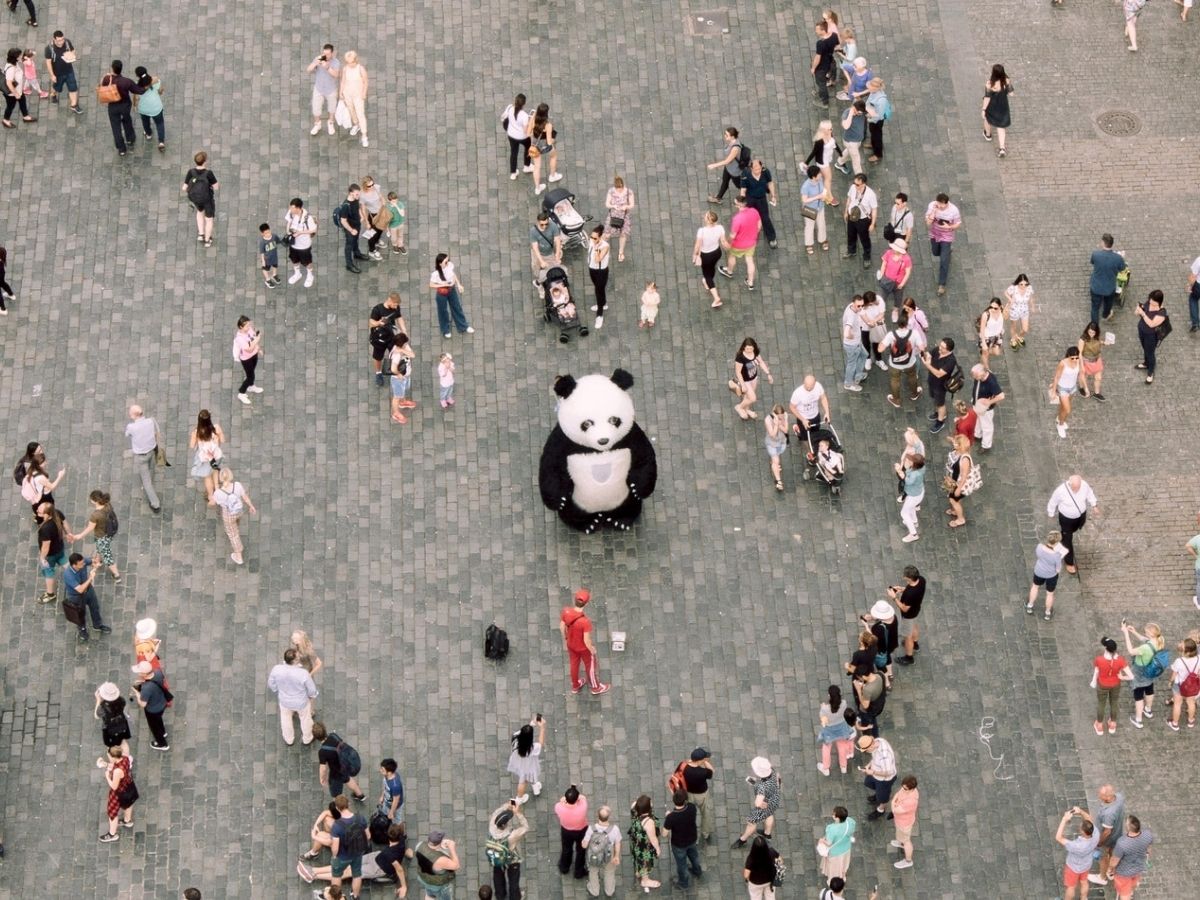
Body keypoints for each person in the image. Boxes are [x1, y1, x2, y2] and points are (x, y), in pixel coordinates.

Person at [559, 588, 610, 694]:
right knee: (590, 665)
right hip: (583, 648)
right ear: (586, 604)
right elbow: (586, 640)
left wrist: (566, 638)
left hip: (571, 645)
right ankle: (595, 687)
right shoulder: (585, 622)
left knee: (574, 664)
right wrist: (592, 649)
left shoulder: (566, 611)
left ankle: (575, 686)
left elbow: (561, 626)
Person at [1047, 475, 1099, 575]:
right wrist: (1051, 513)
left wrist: (1094, 505)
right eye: (1075, 488)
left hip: (1080, 516)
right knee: (1068, 540)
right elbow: (1053, 502)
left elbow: (1090, 494)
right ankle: (1069, 562)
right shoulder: (1060, 491)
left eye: (1078, 487)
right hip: (1066, 519)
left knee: (1071, 532)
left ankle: (1063, 536)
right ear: (1070, 484)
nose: (1077, 490)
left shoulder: (1084, 485)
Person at [268, 647, 318, 746]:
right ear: (294, 660)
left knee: (285, 718)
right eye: (297, 656)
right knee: (305, 719)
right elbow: (311, 689)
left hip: (285, 701)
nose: (299, 656)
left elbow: (271, 684)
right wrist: (312, 696)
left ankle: (289, 739)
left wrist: (278, 690)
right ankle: (307, 738)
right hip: (301, 702)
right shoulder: (303, 673)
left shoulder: (276, 669)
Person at [1122, 622, 1166, 728]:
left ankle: (1138, 720)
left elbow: (1131, 651)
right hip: (1150, 672)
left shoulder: (1145, 648)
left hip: (1140, 673)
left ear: (1151, 634)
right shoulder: (1160, 641)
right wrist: (1134, 632)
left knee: (1139, 696)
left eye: (1146, 632)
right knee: (1149, 690)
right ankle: (1148, 710)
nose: (1144, 633)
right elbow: (1145, 640)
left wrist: (1126, 634)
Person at [99, 59, 147, 153]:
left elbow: (101, 86)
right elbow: (138, 90)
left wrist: (105, 76)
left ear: (112, 69)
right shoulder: (126, 81)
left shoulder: (107, 79)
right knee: (127, 121)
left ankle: (121, 149)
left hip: (113, 106)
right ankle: (130, 139)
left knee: (115, 127)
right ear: (121, 69)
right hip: (124, 106)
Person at [63, 552, 112, 642]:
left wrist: (96, 562)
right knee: (80, 615)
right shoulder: (68, 575)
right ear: (74, 565)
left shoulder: (82, 561)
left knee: (95, 607)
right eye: (81, 564)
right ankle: (82, 630)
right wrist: (90, 577)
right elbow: (80, 589)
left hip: (88, 590)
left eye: (83, 562)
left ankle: (97, 625)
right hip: (76, 597)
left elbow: (93, 561)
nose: (84, 564)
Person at [328, 794, 370, 899]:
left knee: (336, 875)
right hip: (357, 853)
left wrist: (334, 856)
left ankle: (336, 897)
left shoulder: (337, 826)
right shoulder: (360, 818)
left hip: (342, 856)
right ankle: (355, 896)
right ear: (349, 804)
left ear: (337, 808)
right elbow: (368, 836)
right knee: (357, 874)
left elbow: (335, 847)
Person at [212, 467, 256, 566]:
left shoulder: (218, 493)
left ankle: (238, 556)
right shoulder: (237, 485)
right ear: (231, 476)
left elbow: (213, 502)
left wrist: (215, 488)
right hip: (239, 511)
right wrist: (251, 506)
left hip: (228, 515)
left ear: (221, 479)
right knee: (236, 522)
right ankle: (236, 526)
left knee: (233, 535)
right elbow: (245, 497)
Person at [878, 310, 921, 409]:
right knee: (912, 376)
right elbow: (922, 347)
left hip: (894, 364)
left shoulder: (891, 334)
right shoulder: (914, 333)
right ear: (907, 323)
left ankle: (896, 400)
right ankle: (914, 394)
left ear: (897, 323)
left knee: (895, 380)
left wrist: (881, 342)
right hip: (910, 362)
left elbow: (880, 349)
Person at [733, 757, 781, 846]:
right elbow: (778, 779)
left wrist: (761, 802)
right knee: (769, 814)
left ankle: (743, 840)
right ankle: (767, 834)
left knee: (751, 822)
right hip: (774, 800)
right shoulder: (772, 771)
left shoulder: (762, 788)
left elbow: (758, 803)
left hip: (765, 804)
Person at [123, 405, 162, 511]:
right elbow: (157, 432)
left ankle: (155, 504)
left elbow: (127, 434)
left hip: (141, 456)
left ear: (134, 415)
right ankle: (151, 476)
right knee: (151, 467)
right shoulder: (151, 421)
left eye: (130, 413)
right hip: (151, 451)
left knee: (146, 482)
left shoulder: (131, 427)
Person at [487, 800, 528, 900]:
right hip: (511, 860)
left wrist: (506, 806)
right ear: (504, 825)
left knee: (498, 876)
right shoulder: (511, 835)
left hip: (497, 856)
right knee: (513, 880)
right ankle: (515, 897)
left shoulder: (492, 823)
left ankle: (500, 896)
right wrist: (517, 813)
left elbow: (497, 812)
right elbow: (525, 827)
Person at [313, 722, 365, 800]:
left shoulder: (322, 751)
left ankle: (339, 807)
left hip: (336, 773)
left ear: (316, 737)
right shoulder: (333, 736)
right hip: (345, 766)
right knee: (347, 779)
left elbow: (323, 768)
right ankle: (360, 795)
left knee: (336, 793)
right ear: (325, 730)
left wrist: (322, 779)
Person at [1092, 637, 1133, 735]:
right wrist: (1122, 677)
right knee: (1114, 702)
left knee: (1101, 704)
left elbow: (1096, 672)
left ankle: (1099, 725)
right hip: (1115, 684)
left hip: (1102, 684)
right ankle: (1113, 723)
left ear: (1105, 648)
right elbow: (1131, 676)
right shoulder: (1120, 660)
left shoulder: (1099, 660)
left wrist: (1094, 681)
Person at [662, 789, 701, 890]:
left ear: (674, 801)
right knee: (694, 856)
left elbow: (664, 833)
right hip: (692, 838)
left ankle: (683, 883)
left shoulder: (671, 817)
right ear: (685, 800)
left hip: (679, 844)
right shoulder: (692, 808)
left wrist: (667, 817)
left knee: (681, 864)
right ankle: (697, 871)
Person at [1106, 815, 1153, 898]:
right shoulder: (1148, 834)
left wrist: (1110, 869)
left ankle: (1127, 894)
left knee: (1124, 894)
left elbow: (1114, 861)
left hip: (1123, 873)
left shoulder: (1122, 843)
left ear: (1128, 828)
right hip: (1138, 868)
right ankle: (1131, 891)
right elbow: (1148, 850)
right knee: (1134, 884)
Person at [1088, 785, 1127, 887]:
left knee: (1103, 857)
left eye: (1100, 795)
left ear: (1108, 797)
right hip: (1117, 833)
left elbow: (1107, 832)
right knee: (1112, 851)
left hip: (1107, 839)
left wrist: (1099, 843)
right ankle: (1111, 870)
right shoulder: (1119, 797)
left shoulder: (1108, 813)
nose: (1098, 796)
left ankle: (1102, 877)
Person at [720, 196, 761, 291]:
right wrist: (755, 233)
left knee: (732, 256)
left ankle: (729, 271)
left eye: (734, 203)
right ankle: (750, 282)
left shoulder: (737, 219)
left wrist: (727, 242)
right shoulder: (754, 211)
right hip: (751, 242)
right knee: (750, 261)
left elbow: (733, 235)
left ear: (739, 205)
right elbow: (759, 224)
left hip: (738, 245)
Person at [1056, 806, 1099, 899]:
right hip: (1086, 865)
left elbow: (1058, 837)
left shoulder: (1077, 846)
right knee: (1084, 882)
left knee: (1071, 887)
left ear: (1083, 832)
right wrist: (1080, 812)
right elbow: (1089, 819)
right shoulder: (1096, 834)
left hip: (1073, 868)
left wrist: (1064, 819)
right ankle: (1084, 898)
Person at [429, 252, 474, 339]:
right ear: (440, 263)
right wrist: (442, 285)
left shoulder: (449, 265)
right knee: (443, 311)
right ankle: (445, 330)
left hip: (451, 289)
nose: (448, 262)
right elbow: (431, 284)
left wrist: (458, 284)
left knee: (457, 307)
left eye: (448, 260)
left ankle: (463, 326)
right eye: (445, 262)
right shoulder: (436, 274)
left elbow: (453, 275)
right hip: (442, 293)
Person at [925, 193, 962, 295]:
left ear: (947, 203)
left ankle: (942, 284)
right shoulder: (932, 206)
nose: (940, 206)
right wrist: (933, 213)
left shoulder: (954, 210)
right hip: (934, 234)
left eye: (942, 205)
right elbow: (927, 223)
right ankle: (948, 252)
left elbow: (958, 223)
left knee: (943, 260)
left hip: (947, 237)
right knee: (935, 252)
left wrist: (949, 227)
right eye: (939, 203)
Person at [35, 500, 71, 604]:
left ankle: (50, 594)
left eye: (39, 512)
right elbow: (65, 524)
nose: (37, 512)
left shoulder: (45, 529)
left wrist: (42, 558)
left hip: (50, 555)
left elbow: (46, 546)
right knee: (64, 562)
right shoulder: (57, 513)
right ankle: (76, 575)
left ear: (47, 514)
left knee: (48, 572)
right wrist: (69, 534)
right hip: (59, 548)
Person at [581, 805, 621, 898]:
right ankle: (609, 891)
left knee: (593, 871)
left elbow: (585, 845)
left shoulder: (591, 828)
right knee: (609, 871)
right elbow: (617, 843)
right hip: (608, 853)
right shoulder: (615, 829)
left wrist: (583, 842)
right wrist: (616, 856)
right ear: (609, 816)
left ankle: (595, 891)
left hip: (594, 854)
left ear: (597, 815)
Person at [729, 337, 773, 421]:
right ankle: (739, 407)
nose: (749, 350)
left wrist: (768, 374)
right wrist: (743, 385)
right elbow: (738, 372)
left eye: (751, 348)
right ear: (744, 347)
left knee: (748, 397)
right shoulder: (740, 357)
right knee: (753, 398)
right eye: (747, 348)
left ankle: (747, 409)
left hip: (753, 378)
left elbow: (761, 362)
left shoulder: (755, 353)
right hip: (745, 381)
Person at [920, 338, 958, 434]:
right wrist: (927, 358)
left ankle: (940, 422)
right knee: (935, 400)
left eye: (942, 347)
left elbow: (939, 374)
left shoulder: (951, 361)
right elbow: (929, 354)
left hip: (940, 385)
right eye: (940, 345)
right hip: (932, 380)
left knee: (940, 404)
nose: (939, 348)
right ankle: (938, 413)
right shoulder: (938, 349)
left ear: (949, 350)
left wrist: (927, 365)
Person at [98, 745, 135, 842]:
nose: (108, 757)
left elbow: (114, 786)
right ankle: (127, 821)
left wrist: (107, 776)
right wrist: (105, 764)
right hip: (128, 785)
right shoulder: (125, 758)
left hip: (119, 792)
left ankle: (112, 834)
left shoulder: (117, 771)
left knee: (112, 813)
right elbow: (115, 765)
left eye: (109, 756)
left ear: (114, 757)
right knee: (128, 804)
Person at [816, 685, 855, 776]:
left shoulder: (825, 709)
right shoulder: (844, 703)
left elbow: (824, 721)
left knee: (826, 749)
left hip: (829, 731)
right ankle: (843, 766)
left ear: (829, 696)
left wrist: (822, 707)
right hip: (842, 728)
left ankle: (826, 768)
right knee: (842, 746)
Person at [188, 408, 225, 504]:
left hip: (205, 459)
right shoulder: (216, 428)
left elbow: (192, 446)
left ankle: (211, 496)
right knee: (215, 469)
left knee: (207, 476)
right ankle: (217, 489)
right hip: (216, 455)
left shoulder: (196, 432)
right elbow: (223, 440)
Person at [1027, 531, 1066, 620]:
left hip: (1039, 571)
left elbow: (1038, 556)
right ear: (1057, 543)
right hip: (1051, 576)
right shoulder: (1057, 555)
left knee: (1035, 587)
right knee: (1050, 594)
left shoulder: (1039, 547)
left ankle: (1030, 605)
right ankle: (1047, 613)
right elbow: (1058, 569)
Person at [369, 292, 406, 386]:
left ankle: (395, 369)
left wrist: (404, 331)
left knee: (396, 353)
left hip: (391, 337)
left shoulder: (396, 308)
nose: (396, 307)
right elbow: (371, 323)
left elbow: (399, 317)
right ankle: (378, 373)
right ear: (389, 300)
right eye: (395, 304)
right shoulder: (377, 309)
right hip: (379, 339)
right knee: (378, 357)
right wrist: (379, 323)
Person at [182, 151, 218, 247]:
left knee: (200, 212)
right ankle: (207, 239)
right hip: (207, 199)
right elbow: (216, 187)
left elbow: (184, 188)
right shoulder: (208, 173)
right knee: (209, 219)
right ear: (205, 161)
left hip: (196, 200)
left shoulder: (191, 172)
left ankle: (201, 234)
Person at [842, 173, 878, 269]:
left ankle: (867, 256)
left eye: (857, 184)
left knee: (864, 239)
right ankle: (851, 251)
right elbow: (849, 199)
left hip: (862, 220)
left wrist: (872, 224)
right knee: (850, 234)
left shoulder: (871, 194)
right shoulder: (853, 187)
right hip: (851, 215)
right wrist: (846, 212)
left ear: (864, 184)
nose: (855, 185)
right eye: (854, 183)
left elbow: (874, 209)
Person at [506, 715, 546, 803]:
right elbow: (540, 743)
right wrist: (542, 728)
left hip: (519, 761)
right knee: (523, 781)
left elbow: (522, 732)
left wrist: (532, 724)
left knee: (527, 777)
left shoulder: (515, 738)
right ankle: (519, 798)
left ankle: (535, 787)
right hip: (528, 766)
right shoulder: (532, 748)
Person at [857, 735, 897, 820]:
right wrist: (868, 765)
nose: (866, 752)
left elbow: (888, 773)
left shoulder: (884, 757)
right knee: (868, 782)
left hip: (884, 780)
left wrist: (872, 772)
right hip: (876, 774)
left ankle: (880, 810)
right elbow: (874, 758)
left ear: (871, 746)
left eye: (866, 750)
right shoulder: (878, 741)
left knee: (883, 798)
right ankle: (878, 795)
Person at [132, 660, 170, 750]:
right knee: (158, 720)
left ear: (144, 674)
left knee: (154, 727)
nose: (138, 673)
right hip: (162, 702)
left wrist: (137, 694)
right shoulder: (158, 672)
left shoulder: (146, 689)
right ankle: (163, 732)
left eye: (139, 672)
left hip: (153, 710)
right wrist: (143, 681)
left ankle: (162, 744)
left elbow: (143, 704)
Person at [739, 160, 777, 248]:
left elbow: (770, 183)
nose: (757, 171)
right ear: (751, 168)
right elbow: (743, 190)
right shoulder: (745, 174)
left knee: (765, 218)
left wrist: (773, 195)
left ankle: (772, 238)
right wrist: (742, 203)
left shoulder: (765, 172)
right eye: (755, 170)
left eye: (759, 169)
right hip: (750, 199)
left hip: (761, 198)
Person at [692, 210, 726, 308]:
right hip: (716, 252)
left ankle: (716, 298)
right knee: (711, 267)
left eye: (706, 215)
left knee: (707, 275)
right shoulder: (720, 228)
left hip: (705, 255)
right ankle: (707, 282)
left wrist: (694, 255)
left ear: (707, 220)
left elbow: (697, 245)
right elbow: (723, 241)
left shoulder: (701, 231)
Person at [527, 103, 562, 195]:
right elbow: (549, 142)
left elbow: (528, 133)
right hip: (545, 147)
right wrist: (554, 140)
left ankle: (537, 188)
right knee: (554, 156)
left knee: (537, 167)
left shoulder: (533, 119)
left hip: (535, 147)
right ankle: (552, 175)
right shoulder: (548, 125)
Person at [680, 748, 714, 844]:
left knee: (689, 814)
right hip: (702, 795)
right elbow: (711, 772)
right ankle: (705, 833)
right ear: (700, 760)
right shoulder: (703, 772)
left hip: (688, 794)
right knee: (706, 814)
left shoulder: (684, 766)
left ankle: (690, 833)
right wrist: (706, 763)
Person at [554, 784, 589, 879]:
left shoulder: (559, 807)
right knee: (581, 850)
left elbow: (560, 802)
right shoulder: (583, 806)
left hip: (566, 831)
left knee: (566, 848)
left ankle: (564, 867)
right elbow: (582, 797)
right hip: (581, 830)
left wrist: (563, 801)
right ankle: (579, 871)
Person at [627, 795, 661, 890]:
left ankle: (638, 872)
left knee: (638, 859)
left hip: (636, 842)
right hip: (644, 847)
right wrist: (657, 848)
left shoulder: (634, 808)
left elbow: (637, 803)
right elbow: (653, 838)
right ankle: (645, 881)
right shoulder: (648, 822)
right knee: (645, 862)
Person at [1089, 234, 1125, 323]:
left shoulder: (1095, 254)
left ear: (1103, 243)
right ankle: (1105, 315)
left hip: (1096, 287)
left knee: (1095, 307)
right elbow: (1122, 269)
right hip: (1109, 287)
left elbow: (1092, 262)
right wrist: (1122, 258)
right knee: (1108, 304)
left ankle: (1094, 326)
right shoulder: (1118, 258)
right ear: (1112, 244)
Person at [1134, 289, 1167, 384]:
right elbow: (1137, 313)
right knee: (1145, 349)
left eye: (1153, 303)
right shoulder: (1149, 302)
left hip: (1151, 335)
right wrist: (1138, 309)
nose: (1151, 304)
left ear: (1159, 302)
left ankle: (1150, 371)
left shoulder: (1162, 313)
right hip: (1142, 330)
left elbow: (1152, 324)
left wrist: (1143, 314)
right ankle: (1146, 363)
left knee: (1150, 353)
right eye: (1150, 301)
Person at [414, 830, 460, 899]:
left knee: (429, 890)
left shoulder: (419, 845)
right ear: (440, 842)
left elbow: (429, 852)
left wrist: (439, 847)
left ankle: (430, 896)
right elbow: (456, 866)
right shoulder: (440, 860)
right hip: (436, 883)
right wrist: (451, 848)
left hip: (422, 876)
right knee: (445, 895)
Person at [944, 434, 977, 529]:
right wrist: (952, 439)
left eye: (956, 443)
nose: (953, 444)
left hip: (958, 484)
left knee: (953, 500)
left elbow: (964, 477)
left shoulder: (965, 459)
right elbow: (956, 440)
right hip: (952, 479)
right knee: (954, 499)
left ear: (960, 446)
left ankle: (960, 519)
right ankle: (955, 511)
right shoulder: (959, 451)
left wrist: (958, 489)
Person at [44, 31, 81, 112]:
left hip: (69, 70)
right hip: (58, 73)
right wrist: (52, 75)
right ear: (54, 39)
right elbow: (48, 62)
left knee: (73, 88)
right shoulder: (49, 48)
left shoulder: (67, 42)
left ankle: (74, 105)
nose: (61, 42)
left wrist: (71, 56)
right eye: (59, 40)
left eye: (62, 39)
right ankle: (53, 94)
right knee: (57, 88)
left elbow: (73, 51)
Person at [1050, 346, 1083, 439]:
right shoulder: (1063, 363)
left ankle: (1059, 418)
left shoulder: (1078, 361)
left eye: (1077, 357)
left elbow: (1080, 374)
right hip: (1063, 388)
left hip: (1072, 387)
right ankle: (1060, 424)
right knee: (1067, 410)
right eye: (1073, 358)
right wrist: (1053, 391)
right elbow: (1057, 377)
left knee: (1063, 407)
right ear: (1068, 356)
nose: (1075, 359)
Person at [307, 44, 340, 135]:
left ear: (332, 53)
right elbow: (308, 70)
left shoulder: (336, 62)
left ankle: (330, 122)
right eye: (324, 53)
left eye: (328, 54)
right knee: (316, 108)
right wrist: (314, 64)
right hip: (319, 89)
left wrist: (328, 68)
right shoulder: (319, 58)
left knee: (332, 108)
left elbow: (336, 75)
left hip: (331, 89)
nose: (325, 56)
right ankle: (317, 124)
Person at [981, 63, 1013, 157]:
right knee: (1001, 127)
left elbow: (987, 98)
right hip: (1003, 107)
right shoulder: (1006, 81)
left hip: (992, 106)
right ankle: (1002, 148)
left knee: (987, 119)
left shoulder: (990, 84)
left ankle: (988, 134)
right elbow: (1011, 94)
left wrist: (983, 109)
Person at [805, 120, 839, 207]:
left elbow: (835, 143)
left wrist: (840, 153)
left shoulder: (830, 134)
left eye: (831, 128)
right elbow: (813, 153)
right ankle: (829, 198)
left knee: (826, 178)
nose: (832, 130)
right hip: (822, 162)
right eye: (830, 129)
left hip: (827, 159)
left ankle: (825, 195)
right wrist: (806, 162)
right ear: (824, 130)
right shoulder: (819, 141)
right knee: (828, 179)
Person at [1168, 637, 1200, 731]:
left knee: (1177, 704)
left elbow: (1174, 674)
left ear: (1187, 652)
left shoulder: (1179, 661)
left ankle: (1175, 724)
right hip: (1193, 685)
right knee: (1191, 702)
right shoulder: (1199, 658)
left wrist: (1170, 682)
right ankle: (1191, 721)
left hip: (1179, 685)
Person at [970, 364, 1004, 450]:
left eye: (975, 375)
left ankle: (986, 445)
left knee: (987, 426)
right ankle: (977, 435)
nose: (973, 377)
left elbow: (1001, 396)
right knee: (977, 420)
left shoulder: (991, 382)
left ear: (982, 373)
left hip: (985, 409)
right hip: (977, 404)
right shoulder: (980, 376)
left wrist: (989, 402)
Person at [285, 197, 318, 288]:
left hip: (304, 245)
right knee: (294, 259)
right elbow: (288, 222)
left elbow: (313, 229)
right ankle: (297, 274)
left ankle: (310, 275)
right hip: (294, 243)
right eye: (290, 207)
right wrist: (288, 231)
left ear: (298, 208)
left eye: (293, 208)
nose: (290, 210)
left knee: (307, 262)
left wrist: (300, 233)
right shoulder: (291, 213)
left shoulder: (308, 218)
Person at [818, 806, 856, 884]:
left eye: (833, 814)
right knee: (844, 863)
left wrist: (822, 840)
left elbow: (829, 843)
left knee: (834, 868)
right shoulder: (850, 821)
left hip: (835, 852)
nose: (832, 815)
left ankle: (832, 881)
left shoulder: (832, 829)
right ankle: (843, 875)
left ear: (837, 818)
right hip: (846, 848)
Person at [94, 681, 131, 759]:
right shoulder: (121, 700)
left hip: (110, 728)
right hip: (122, 723)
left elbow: (96, 715)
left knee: (111, 747)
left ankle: (116, 763)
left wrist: (98, 701)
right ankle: (128, 760)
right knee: (123, 741)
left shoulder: (102, 708)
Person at [706, 127, 744, 202]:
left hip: (735, 171)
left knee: (740, 186)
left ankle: (746, 198)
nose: (725, 136)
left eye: (727, 135)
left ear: (732, 136)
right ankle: (718, 198)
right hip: (729, 168)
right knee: (725, 182)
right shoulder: (731, 142)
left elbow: (727, 161)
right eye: (725, 134)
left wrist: (714, 165)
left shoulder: (735, 148)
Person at [339, 50, 369, 147]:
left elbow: (365, 82)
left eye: (351, 62)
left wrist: (364, 93)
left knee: (360, 113)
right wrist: (341, 92)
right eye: (347, 62)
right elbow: (343, 81)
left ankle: (364, 135)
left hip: (358, 95)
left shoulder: (361, 69)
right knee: (351, 111)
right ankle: (356, 125)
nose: (349, 64)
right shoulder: (345, 69)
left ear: (356, 60)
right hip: (347, 94)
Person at [233, 316, 264, 405]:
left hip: (254, 355)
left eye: (249, 324)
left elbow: (253, 339)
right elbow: (249, 349)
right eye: (247, 326)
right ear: (240, 327)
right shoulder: (240, 339)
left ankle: (251, 385)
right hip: (246, 359)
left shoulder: (249, 330)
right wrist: (257, 340)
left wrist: (258, 349)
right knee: (250, 376)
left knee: (251, 372)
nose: (249, 327)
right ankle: (241, 393)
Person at [603, 175, 635, 261]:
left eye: (620, 187)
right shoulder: (611, 191)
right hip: (613, 216)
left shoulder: (629, 192)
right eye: (617, 188)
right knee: (607, 234)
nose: (619, 190)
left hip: (624, 217)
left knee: (623, 234)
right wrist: (613, 206)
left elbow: (632, 204)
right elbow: (607, 204)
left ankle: (621, 252)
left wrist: (626, 207)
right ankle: (601, 247)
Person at [337, 184, 367, 273]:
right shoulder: (346, 206)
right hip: (350, 228)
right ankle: (349, 265)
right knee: (349, 246)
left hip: (357, 225)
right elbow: (343, 221)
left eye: (359, 194)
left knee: (355, 240)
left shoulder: (355, 199)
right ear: (351, 193)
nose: (358, 196)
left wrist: (361, 216)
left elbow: (358, 209)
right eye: (357, 194)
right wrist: (351, 230)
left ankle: (357, 254)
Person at [895, 453, 925, 542]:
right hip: (918, 493)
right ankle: (914, 522)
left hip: (913, 496)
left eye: (910, 460)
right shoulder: (920, 469)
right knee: (911, 508)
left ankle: (913, 534)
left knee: (904, 513)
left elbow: (907, 481)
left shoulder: (915, 474)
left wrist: (899, 471)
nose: (908, 461)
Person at [501, 92, 532, 179]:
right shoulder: (524, 116)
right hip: (522, 137)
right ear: (524, 104)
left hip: (511, 135)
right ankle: (527, 165)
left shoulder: (510, 108)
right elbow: (526, 131)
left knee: (514, 153)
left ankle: (513, 173)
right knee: (528, 148)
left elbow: (504, 117)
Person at [840, 294, 867, 391]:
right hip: (852, 345)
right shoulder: (851, 316)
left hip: (857, 343)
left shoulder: (851, 306)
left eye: (862, 305)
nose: (860, 308)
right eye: (858, 306)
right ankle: (848, 383)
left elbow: (862, 314)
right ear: (853, 304)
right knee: (851, 364)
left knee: (864, 355)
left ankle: (858, 375)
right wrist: (851, 336)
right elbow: (846, 332)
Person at [388, 333, 417, 425]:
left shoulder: (404, 346)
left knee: (403, 390)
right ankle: (396, 413)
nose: (407, 343)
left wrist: (402, 350)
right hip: (398, 379)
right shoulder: (396, 355)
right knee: (396, 396)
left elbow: (412, 355)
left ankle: (403, 402)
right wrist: (399, 374)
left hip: (406, 375)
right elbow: (393, 369)